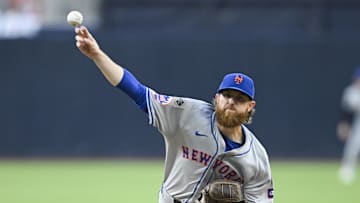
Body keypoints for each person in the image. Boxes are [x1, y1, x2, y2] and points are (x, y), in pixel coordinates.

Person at [74, 26, 274, 203]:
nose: (231, 102)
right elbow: (138, 92)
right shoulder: (187, 113)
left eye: (239, 99)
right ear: (216, 98)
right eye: (227, 95)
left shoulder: (257, 158)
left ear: (250, 106)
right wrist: (97, 55)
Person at [337, 67, 360, 185]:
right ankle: (347, 169)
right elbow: (346, 112)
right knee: (353, 147)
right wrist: (344, 125)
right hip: (357, 124)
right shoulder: (351, 92)